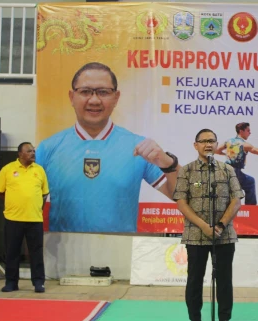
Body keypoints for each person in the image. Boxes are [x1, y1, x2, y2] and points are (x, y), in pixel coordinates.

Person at [35, 62, 180, 233]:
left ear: (116, 97)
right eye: (85, 91)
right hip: (62, 255)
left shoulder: (139, 147)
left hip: (120, 255)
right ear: (71, 97)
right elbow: (28, 206)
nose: (94, 100)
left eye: (103, 92)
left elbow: (183, 196)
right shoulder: (48, 148)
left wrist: (169, 164)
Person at [173, 129, 244, 321]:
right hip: (195, 234)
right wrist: (204, 226)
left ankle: (224, 320)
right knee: (194, 280)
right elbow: (181, 202)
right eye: (203, 141)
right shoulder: (187, 171)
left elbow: (236, 200)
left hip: (224, 235)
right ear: (195, 145)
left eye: (211, 141)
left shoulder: (226, 169)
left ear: (217, 144)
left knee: (224, 280)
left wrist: (220, 225)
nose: (208, 144)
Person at [0, 142, 49, 292]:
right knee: (12, 252)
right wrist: (13, 203)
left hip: (34, 219)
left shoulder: (39, 170)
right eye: (29, 151)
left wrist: (35, 206)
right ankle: (11, 282)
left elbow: (44, 193)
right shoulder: (7, 169)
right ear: (20, 154)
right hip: (13, 218)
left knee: (36, 253)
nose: (33, 153)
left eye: (33, 151)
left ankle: (38, 282)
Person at [216, 122, 258, 205]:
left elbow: (216, 150)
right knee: (250, 182)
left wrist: (226, 154)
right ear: (241, 131)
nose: (250, 133)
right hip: (235, 172)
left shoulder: (228, 142)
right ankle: (251, 209)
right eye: (248, 130)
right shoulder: (245, 145)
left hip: (225, 170)